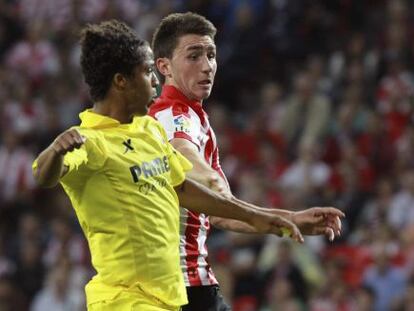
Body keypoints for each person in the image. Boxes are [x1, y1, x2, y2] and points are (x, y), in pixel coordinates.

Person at [32, 20, 305, 311]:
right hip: (125, 300)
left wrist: (258, 217)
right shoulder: (90, 141)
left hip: (170, 299)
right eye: (148, 71)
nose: (155, 81)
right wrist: (56, 151)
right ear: (121, 81)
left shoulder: (148, 130)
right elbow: (44, 175)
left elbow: (184, 189)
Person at [149, 12, 344, 311]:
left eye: (211, 55)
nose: (206, 66)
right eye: (194, 56)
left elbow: (219, 213)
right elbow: (206, 180)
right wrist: (275, 217)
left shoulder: (194, 118)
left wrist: (289, 220)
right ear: (164, 66)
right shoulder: (173, 116)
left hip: (187, 286)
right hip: (182, 288)